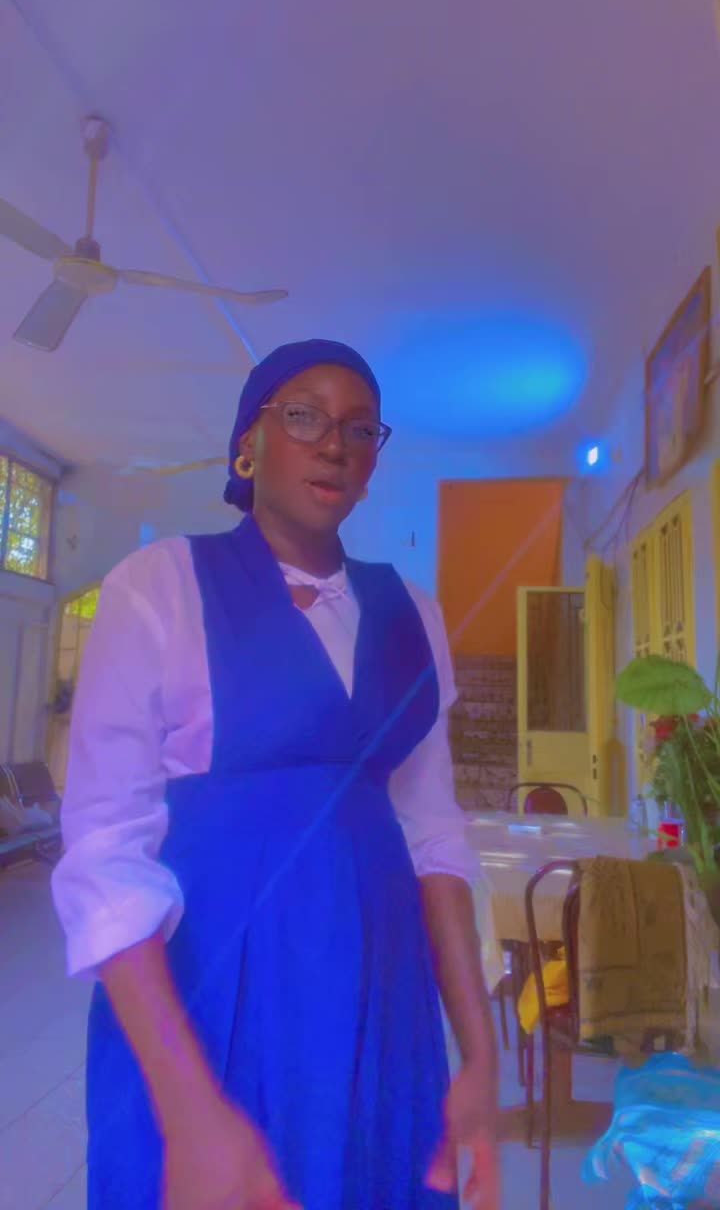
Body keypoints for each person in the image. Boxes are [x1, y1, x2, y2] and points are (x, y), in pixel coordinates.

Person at [52, 338, 499, 1210]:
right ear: (247, 444)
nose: (334, 443)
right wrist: (190, 1114)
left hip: (379, 995)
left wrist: (478, 1057)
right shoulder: (161, 586)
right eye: (303, 416)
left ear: (374, 462)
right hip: (208, 999)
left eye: (360, 428)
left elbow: (435, 836)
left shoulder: (415, 615)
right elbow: (105, 852)